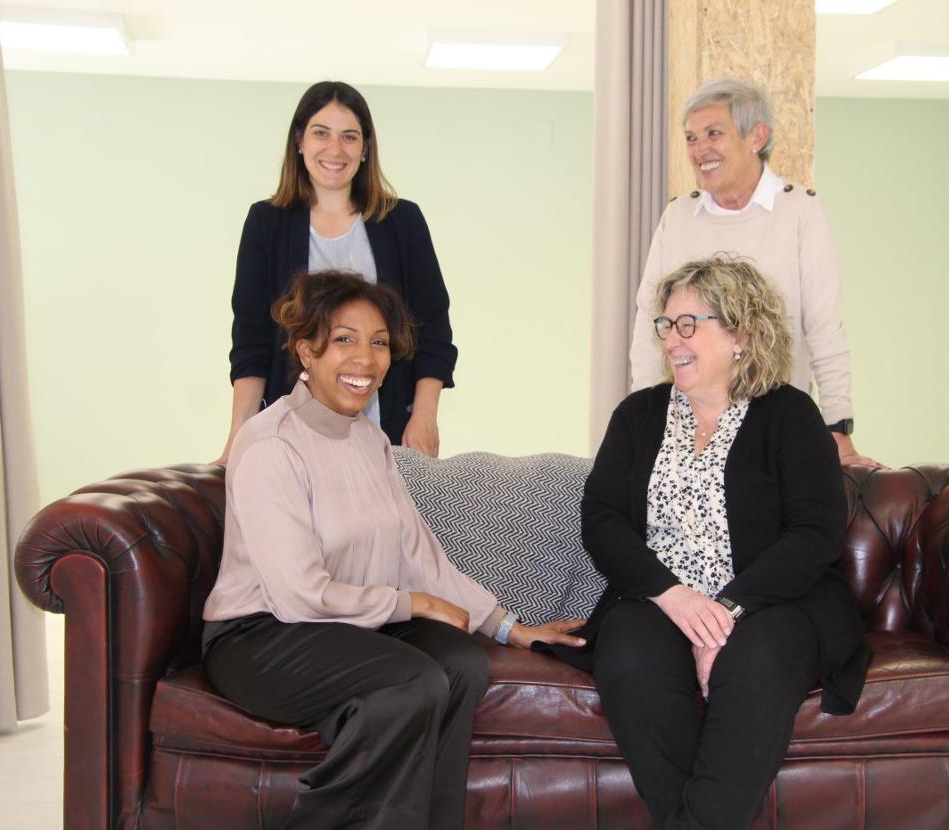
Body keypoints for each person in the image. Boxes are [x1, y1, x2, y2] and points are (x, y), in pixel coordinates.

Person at [203, 270, 584, 830]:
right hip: (261, 634)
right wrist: (412, 604)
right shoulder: (270, 445)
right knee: (411, 682)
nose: (365, 359)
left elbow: (419, 553)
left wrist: (509, 628)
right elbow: (298, 594)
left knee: (462, 664)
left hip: (346, 624)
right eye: (344, 339)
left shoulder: (368, 439)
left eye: (378, 342)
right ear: (306, 350)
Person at [576, 257, 871, 829]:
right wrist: (675, 597)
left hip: (772, 602)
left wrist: (724, 615)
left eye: (689, 324)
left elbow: (815, 532)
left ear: (742, 334)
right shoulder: (639, 415)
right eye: (666, 325)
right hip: (659, 599)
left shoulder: (790, 414)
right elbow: (602, 519)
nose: (672, 340)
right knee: (628, 659)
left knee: (753, 663)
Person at [630, 77, 880, 468]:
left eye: (714, 134)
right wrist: (643, 422)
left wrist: (838, 429)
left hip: (774, 429)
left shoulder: (802, 212)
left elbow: (824, 326)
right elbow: (650, 323)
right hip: (686, 431)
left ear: (757, 137)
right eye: (691, 138)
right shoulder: (677, 215)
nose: (699, 149)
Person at [220, 80, 454, 463]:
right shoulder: (266, 222)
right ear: (300, 141)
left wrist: (425, 416)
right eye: (321, 133)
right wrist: (238, 438)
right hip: (291, 437)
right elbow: (251, 339)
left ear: (365, 148)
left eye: (349, 136)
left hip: (389, 430)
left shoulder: (403, 221)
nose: (335, 148)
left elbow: (433, 330)